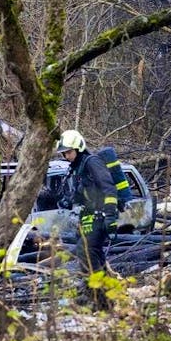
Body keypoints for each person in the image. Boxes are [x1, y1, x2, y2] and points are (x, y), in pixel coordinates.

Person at [56, 129, 118, 310]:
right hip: (87, 217)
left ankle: (96, 298)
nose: (67, 156)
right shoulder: (78, 168)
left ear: (79, 148)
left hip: (100, 217)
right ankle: (106, 297)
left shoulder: (92, 163)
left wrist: (111, 217)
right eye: (64, 153)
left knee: (87, 254)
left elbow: (109, 189)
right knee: (93, 255)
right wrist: (70, 200)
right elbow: (86, 193)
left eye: (69, 152)